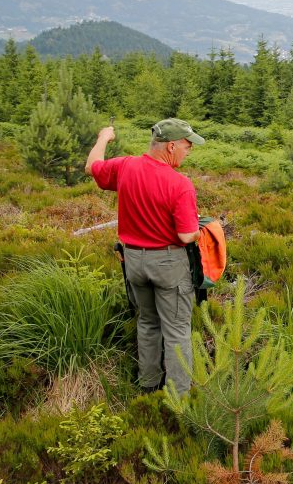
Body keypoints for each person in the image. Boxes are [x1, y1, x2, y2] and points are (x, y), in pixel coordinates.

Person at [85, 118, 204, 395]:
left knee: (148, 322)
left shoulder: (125, 166)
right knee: (176, 331)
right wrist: (203, 230)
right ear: (171, 146)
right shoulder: (180, 184)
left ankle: (148, 386)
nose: (189, 152)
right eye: (188, 146)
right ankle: (179, 398)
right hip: (168, 265)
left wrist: (103, 136)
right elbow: (187, 236)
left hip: (134, 263)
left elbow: (91, 167)